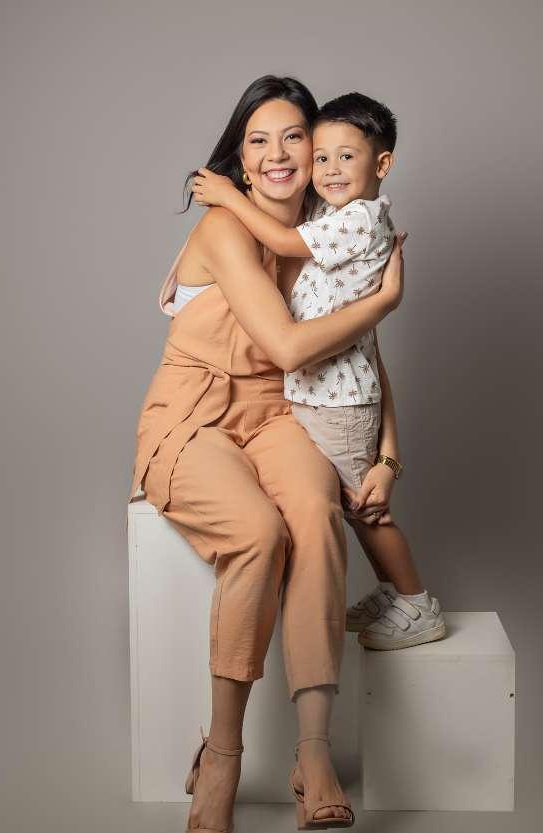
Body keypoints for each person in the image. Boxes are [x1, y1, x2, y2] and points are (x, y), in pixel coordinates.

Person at [127, 75, 405, 833]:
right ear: (240, 159)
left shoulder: (328, 228)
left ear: (318, 151)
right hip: (195, 414)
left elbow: (358, 357)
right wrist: (384, 300)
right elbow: (288, 344)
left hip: (282, 411)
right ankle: (221, 755)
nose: (278, 154)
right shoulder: (224, 225)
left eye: (294, 138)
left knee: (315, 518)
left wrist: (387, 456)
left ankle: (312, 753)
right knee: (257, 534)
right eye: (258, 140)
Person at [192, 91, 446, 652]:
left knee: (365, 511)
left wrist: (227, 196)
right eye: (323, 156)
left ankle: (415, 602)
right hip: (320, 395)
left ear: (382, 164)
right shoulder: (334, 212)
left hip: (339, 401)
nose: (329, 170)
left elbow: (284, 242)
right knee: (348, 506)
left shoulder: (357, 220)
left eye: (345, 157)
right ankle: (392, 593)